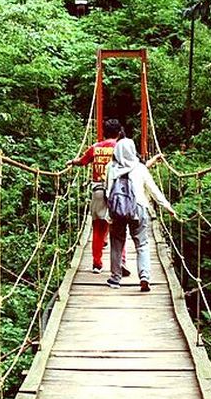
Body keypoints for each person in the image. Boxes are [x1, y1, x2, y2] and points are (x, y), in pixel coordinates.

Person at [104, 137, 176, 291]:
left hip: (118, 210)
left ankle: (115, 279)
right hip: (139, 208)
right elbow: (153, 189)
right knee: (142, 244)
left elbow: (108, 191)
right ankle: (144, 276)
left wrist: (108, 214)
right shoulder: (140, 167)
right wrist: (167, 206)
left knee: (116, 244)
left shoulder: (110, 167)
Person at [67, 118, 128, 275]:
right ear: (119, 133)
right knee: (119, 228)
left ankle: (96, 263)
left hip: (99, 190)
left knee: (98, 228)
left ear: (104, 132)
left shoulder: (95, 147)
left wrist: (72, 162)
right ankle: (121, 261)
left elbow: (82, 161)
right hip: (117, 192)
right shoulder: (121, 148)